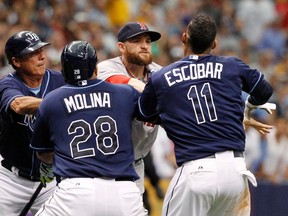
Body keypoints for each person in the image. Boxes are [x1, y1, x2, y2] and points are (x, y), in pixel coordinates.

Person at [137, 14, 275, 216]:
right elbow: (264, 91)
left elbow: (143, 113)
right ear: (215, 43)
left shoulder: (162, 77)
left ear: (184, 38)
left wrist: (172, 116)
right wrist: (248, 107)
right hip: (236, 172)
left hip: (197, 171)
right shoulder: (232, 66)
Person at [30, 40, 147, 216]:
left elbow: (44, 154)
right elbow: (153, 114)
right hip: (125, 192)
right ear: (96, 69)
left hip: (76, 192)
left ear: (64, 71)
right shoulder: (125, 93)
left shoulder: (51, 101)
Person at [0, 31, 65, 215]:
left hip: (50, 181)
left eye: (41, 50)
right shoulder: (8, 84)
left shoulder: (59, 81)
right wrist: (61, 102)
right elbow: (18, 105)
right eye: (32, 53)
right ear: (16, 62)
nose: (42, 56)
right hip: (10, 180)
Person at [97, 22, 162, 198]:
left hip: (136, 163)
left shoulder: (159, 72)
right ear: (121, 47)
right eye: (137, 41)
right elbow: (123, 84)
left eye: (148, 41)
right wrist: (154, 92)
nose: (144, 45)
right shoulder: (106, 67)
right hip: (104, 164)